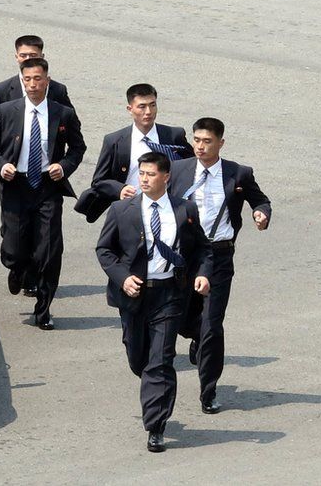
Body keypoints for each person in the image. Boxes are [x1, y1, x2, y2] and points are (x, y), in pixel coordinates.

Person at [96, 152, 212, 453]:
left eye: (150, 174)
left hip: (170, 294)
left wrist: (202, 274)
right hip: (134, 295)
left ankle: (156, 425)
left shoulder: (184, 209)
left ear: (166, 177)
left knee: (160, 361)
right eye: (141, 174)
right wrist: (123, 278)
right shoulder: (123, 210)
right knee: (140, 361)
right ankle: (154, 392)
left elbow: (202, 248)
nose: (144, 179)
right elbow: (104, 250)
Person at [168, 117, 271, 414]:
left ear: (220, 143)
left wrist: (261, 215)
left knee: (213, 325)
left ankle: (208, 390)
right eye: (197, 140)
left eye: (207, 141)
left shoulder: (237, 174)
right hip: (184, 255)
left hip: (220, 256)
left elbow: (260, 201)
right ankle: (195, 335)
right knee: (185, 319)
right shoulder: (177, 169)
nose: (200, 146)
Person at [0, 57, 86, 330]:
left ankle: (44, 310)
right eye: (27, 79)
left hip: (47, 187)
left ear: (47, 81)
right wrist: (2, 166)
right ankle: (18, 268)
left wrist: (63, 166)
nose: (33, 84)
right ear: (21, 80)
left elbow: (77, 148)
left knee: (49, 251)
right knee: (14, 247)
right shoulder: (6, 111)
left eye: (38, 79)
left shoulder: (63, 113)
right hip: (16, 185)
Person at [75, 83, 191, 222]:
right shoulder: (115, 141)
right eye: (142, 106)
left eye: (152, 105)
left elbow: (192, 167)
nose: (148, 111)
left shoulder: (173, 135)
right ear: (130, 109)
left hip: (167, 210)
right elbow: (99, 181)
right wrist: (120, 189)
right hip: (129, 210)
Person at [0, 35, 74, 127]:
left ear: (42, 56)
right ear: (17, 57)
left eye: (33, 55)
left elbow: (72, 122)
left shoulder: (58, 89)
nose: (28, 59)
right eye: (23, 55)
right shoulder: (2, 90)